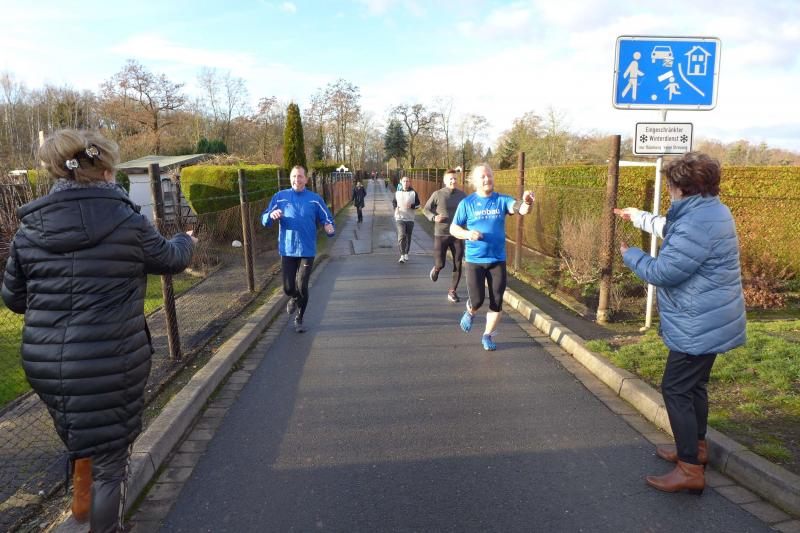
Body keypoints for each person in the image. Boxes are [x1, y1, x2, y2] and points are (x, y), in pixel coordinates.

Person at [1, 129, 196, 533]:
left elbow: (14, 299)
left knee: (82, 438)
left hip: (49, 366)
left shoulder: (29, 230)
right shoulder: (127, 222)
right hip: (111, 361)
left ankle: (81, 508)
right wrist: (185, 239)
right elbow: (171, 259)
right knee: (110, 464)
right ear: (106, 171)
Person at [615, 152, 746, 495]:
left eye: (671, 185)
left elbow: (664, 272)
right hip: (712, 316)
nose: (669, 191)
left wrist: (631, 255)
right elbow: (672, 229)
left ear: (682, 188)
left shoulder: (695, 222)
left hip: (698, 322)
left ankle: (689, 468)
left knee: (675, 388)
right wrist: (639, 217)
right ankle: (696, 449)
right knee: (694, 386)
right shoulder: (712, 210)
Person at [450, 164, 533, 351]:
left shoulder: (501, 200)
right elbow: (454, 228)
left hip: (497, 260)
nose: (487, 179)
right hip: (475, 261)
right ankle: (470, 310)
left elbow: (519, 208)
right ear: (475, 182)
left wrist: (527, 202)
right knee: (478, 300)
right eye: (483, 177)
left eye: (489, 175)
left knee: (497, 301)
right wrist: (468, 234)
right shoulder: (467, 203)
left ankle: (487, 335)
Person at [262, 165, 335, 333]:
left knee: (302, 286)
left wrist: (329, 227)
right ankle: (294, 298)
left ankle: (299, 318)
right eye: (294, 176)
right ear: (290, 179)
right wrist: (270, 216)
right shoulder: (280, 197)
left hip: (306, 250)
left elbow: (327, 217)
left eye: (300, 176)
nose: (297, 179)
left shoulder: (315, 199)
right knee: (288, 288)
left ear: (306, 179)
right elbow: (265, 218)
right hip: (287, 249)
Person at [423, 169, 467, 302]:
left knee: (458, 263)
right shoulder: (438, 194)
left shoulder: (462, 195)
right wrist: (434, 217)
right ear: (445, 181)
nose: (453, 181)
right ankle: (436, 269)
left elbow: (469, 211)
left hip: (457, 234)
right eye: (450, 179)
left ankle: (452, 291)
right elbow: (426, 209)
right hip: (441, 234)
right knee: (441, 263)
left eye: (455, 178)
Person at [392, 176, 420, 263]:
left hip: (410, 218)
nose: (406, 183)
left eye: (407, 181)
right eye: (404, 181)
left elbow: (418, 205)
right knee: (401, 234)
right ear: (401, 182)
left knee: (408, 236)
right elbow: (394, 202)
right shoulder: (397, 193)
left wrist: (412, 206)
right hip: (399, 217)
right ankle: (402, 255)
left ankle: (406, 253)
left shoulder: (413, 193)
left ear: (409, 183)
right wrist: (395, 208)